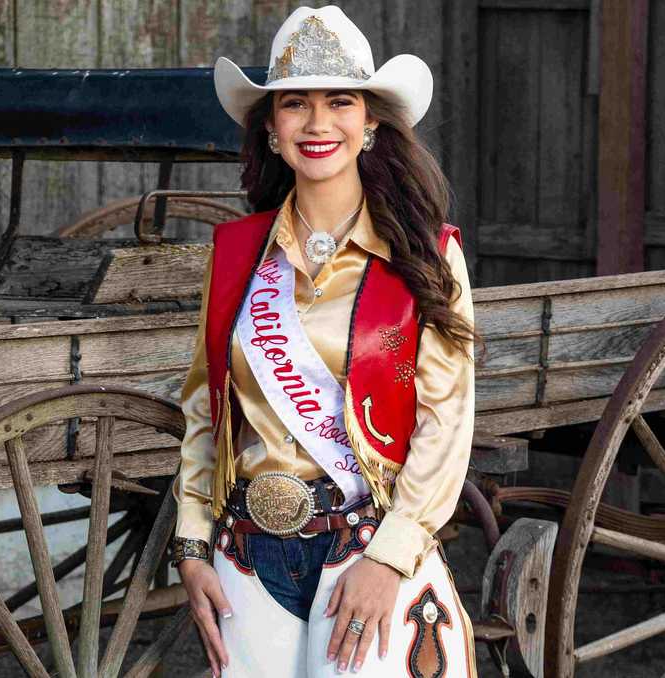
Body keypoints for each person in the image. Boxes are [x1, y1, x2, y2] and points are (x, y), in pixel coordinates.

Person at [171, 5, 477, 676]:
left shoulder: (426, 256)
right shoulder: (233, 255)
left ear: (369, 123)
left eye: (340, 101)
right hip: (247, 553)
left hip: (364, 549)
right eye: (294, 105)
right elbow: (204, 408)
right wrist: (192, 543)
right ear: (273, 130)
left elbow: (446, 424)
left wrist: (389, 558)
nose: (317, 124)